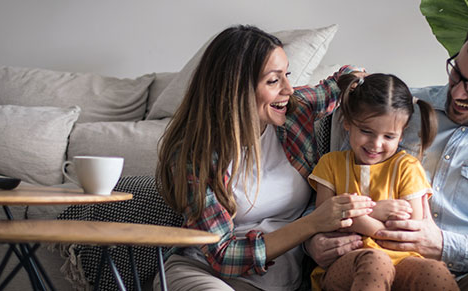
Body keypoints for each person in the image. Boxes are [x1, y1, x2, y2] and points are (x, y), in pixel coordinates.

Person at [307, 13, 468, 290]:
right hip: (370, 263)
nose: (457, 94)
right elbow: (335, 190)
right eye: (457, 74)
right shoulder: (401, 110)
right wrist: (313, 242)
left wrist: (445, 246)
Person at [155, 25, 374, 291]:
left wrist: (357, 80)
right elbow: (222, 254)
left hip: (278, 282)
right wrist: (314, 222)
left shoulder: (294, 113)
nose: (288, 89)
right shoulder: (193, 155)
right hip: (205, 273)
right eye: (273, 80)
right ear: (236, 89)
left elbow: (341, 80)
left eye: (287, 75)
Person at [308, 73, 458, 291]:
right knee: (375, 261)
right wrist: (377, 211)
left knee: (434, 271)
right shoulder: (331, 164)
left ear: (402, 134)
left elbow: (410, 229)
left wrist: (356, 216)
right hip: (348, 262)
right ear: (348, 123)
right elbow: (324, 218)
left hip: (403, 260)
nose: (376, 144)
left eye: (388, 136)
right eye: (366, 131)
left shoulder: (406, 167)